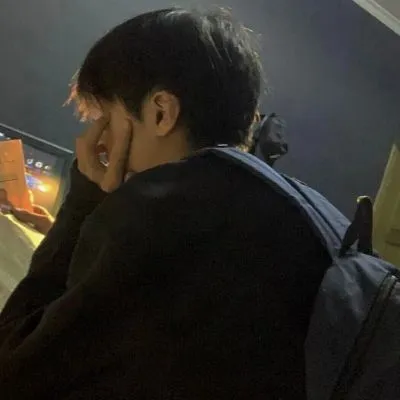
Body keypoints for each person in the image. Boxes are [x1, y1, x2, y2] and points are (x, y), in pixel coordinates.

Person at [0, 8, 330, 399]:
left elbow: (13, 369)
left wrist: (86, 198)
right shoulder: (289, 219)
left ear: (161, 112)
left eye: (105, 119)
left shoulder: (158, 219)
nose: (98, 142)